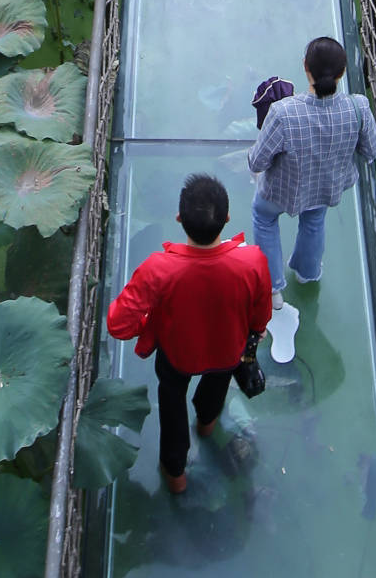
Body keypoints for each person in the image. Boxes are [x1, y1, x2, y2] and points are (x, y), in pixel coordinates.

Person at [107, 172, 272, 494]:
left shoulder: (159, 268)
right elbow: (260, 315)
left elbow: (118, 324)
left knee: (172, 409)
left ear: (179, 219)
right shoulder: (252, 262)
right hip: (228, 351)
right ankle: (207, 427)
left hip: (177, 355)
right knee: (215, 392)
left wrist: (148, 322)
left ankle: (176, 477)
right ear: (226, 218)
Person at [247, 34, 376, 303]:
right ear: (342, 72)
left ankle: (273, 287)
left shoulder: (283, 112)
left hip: (281, 190)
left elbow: (257, 162)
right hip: (325, 187)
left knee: (263, 218)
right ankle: (307, 273)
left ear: (305, 67)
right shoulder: (359, 107)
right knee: (314, 221)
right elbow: (372, 151)